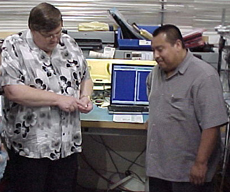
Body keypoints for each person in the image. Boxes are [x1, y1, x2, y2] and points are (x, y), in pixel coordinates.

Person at [0, 2, 93, 192]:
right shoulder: (13, 46)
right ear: (32, 29)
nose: (55, 39)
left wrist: (85, 96)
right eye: (48, 35)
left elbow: (86, 77)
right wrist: (57, 99)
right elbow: (13, 90)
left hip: (67, 145)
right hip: (31, 148)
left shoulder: (69, 43)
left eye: (58, 32)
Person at [146, 24, 228, 192]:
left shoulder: (204, 76)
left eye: (160, 50)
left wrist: (200, 163)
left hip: (187, 173)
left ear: (177, 45)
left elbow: (212, 125)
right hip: (158, 168)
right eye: (153, 50)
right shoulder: (155, 73)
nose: (156, 56)